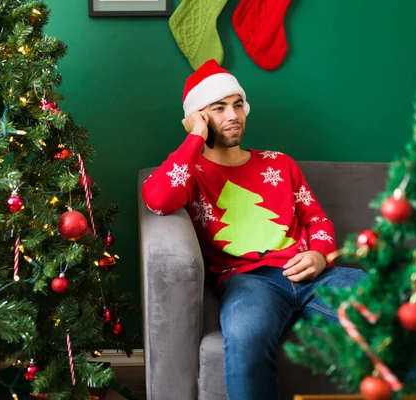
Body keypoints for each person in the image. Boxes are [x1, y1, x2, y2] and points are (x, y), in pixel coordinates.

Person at [141, 59, 368, 399]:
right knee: (248, 337)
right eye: (218, 108)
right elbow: (158, 199)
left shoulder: (279, 163)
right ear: (198, 118)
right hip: (248, 282)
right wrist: (194, 139)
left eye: (237, 105)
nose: (233, 116)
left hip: (314, 277)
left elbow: (317, 220)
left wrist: (320, 255)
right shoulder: (193, 172)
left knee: (400, 306)